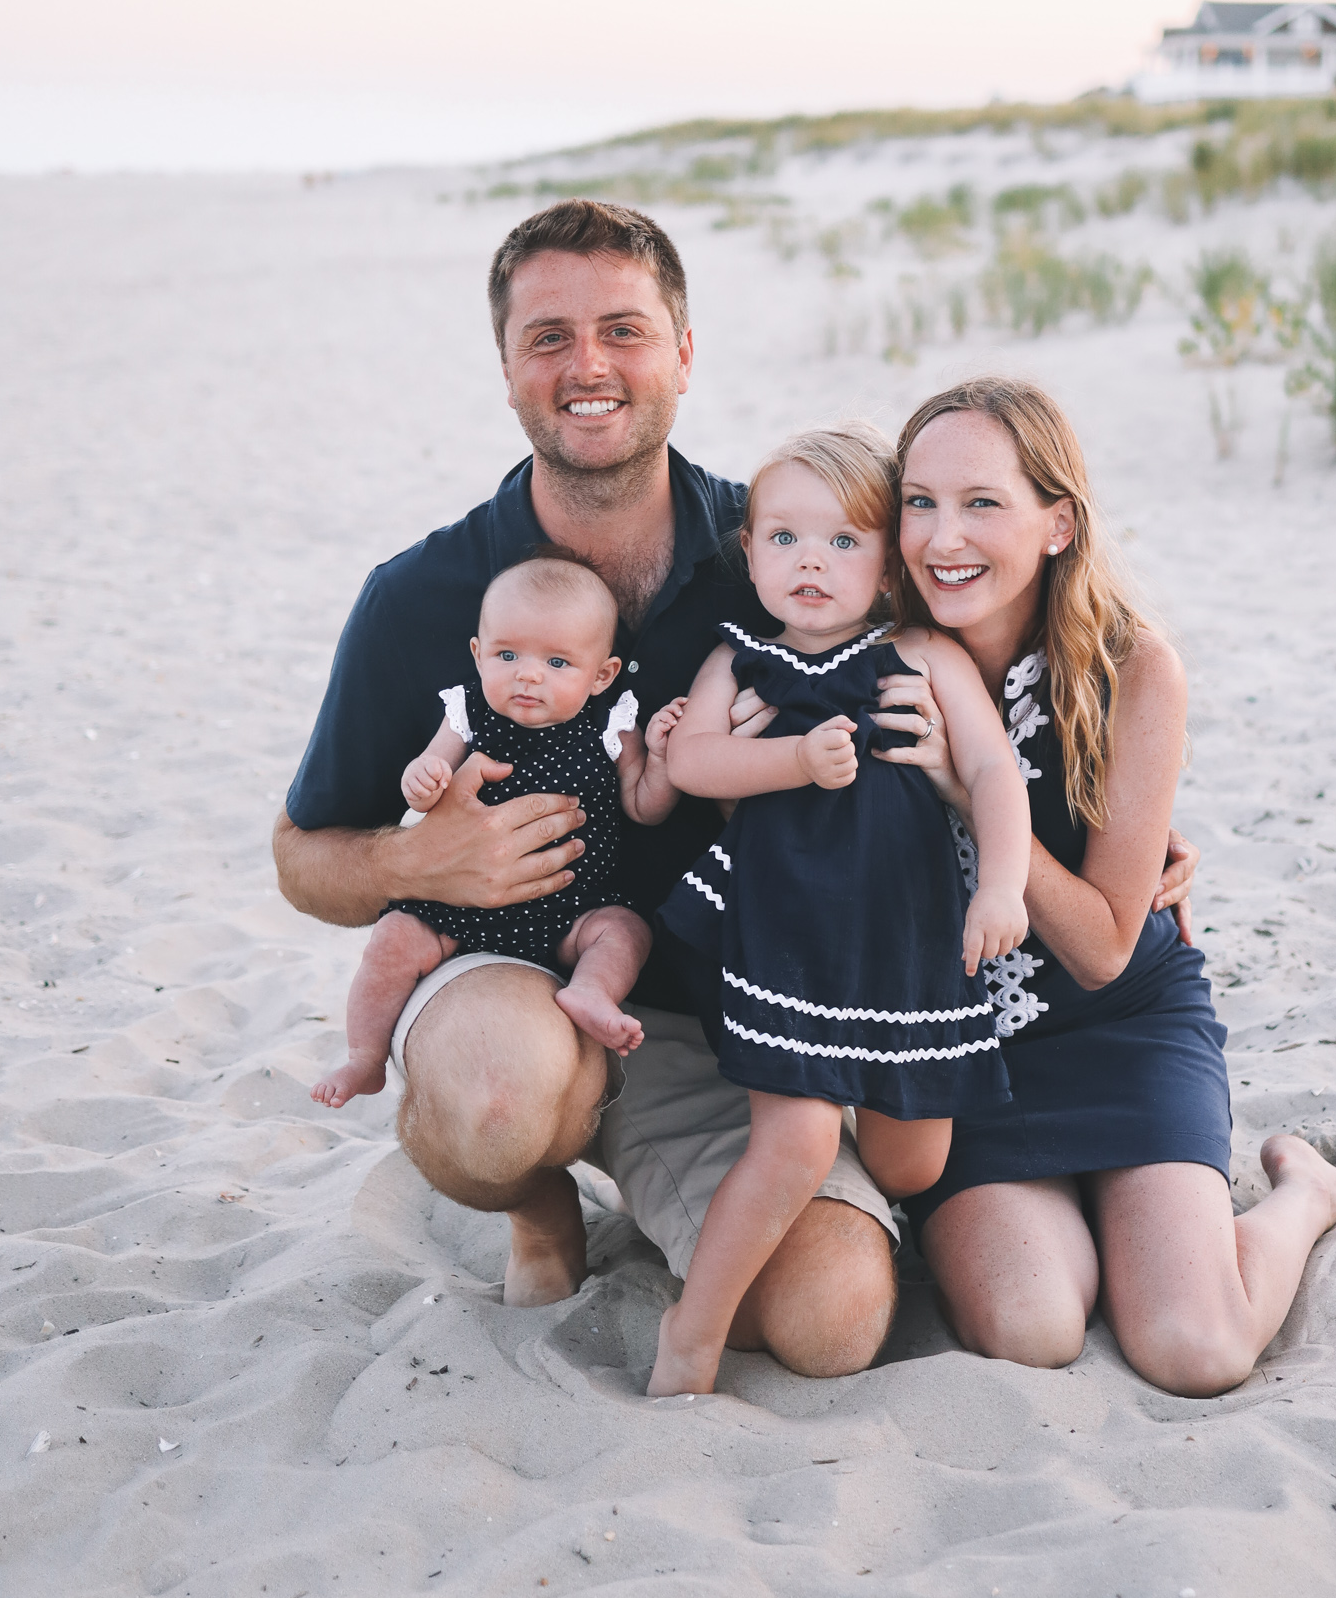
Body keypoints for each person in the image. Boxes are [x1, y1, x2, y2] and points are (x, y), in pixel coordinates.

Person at [273, 200, 904, 1372]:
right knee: (497, 1104)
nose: (589, 366)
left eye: (624, 328)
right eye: (548, 337)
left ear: (683, 352)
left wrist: (1106, 817)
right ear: (507, 369)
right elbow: (302, 853)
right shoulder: (422, 595)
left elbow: (971, 648)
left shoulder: (776, 550)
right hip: (505, 978)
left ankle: (667, 1187)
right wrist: (414, 861)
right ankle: (537, 1203)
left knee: (833, 1321)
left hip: (723, 1028)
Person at [871, 376, 1336, 1397]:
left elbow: (1103, 945)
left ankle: (1306, 1194)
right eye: (919, 501)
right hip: (970, 1055)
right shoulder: (876, 657)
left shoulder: (1133, 669)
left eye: (982, 503)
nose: (941, 537)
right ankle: (1105, 1225)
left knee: (1196, 1348)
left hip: (1124, 1026)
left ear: (1058, 524)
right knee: (1032, 1326)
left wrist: (973, 788)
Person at [646, 424, 1031, 1397]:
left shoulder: (921, 654)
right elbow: (691, 760)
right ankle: (693, 1333)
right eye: (783, 539)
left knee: (910, 1160)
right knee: (800, 1135)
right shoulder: (741, 661)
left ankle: (861, 1163)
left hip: (901, 936)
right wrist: (790, 760)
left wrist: (1002, 885)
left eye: (843, 541)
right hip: (785, 930)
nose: (809, 561)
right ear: (749, 552)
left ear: (890, 564)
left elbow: (992, 769)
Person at [309, 554, 685, 1109]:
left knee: (625, 930)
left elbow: (645, 807)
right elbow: (429, 771)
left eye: (558, 663)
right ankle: (364, 1057)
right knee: (391, 940)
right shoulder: (467, 714)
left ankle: (590, 990)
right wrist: (424, 779)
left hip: (571, 909)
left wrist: (658, 758)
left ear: (601, 674)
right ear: (478, 654)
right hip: (459, 909)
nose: (528, 674)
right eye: (507, 655)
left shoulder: (613, 723)